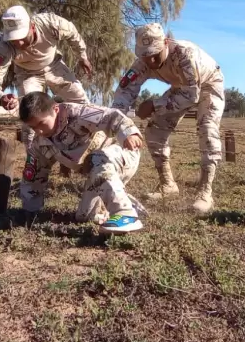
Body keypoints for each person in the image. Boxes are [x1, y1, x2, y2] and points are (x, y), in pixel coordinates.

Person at [111, 23, 225, 215]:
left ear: (166, 42)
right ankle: (167, 185)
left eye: (156, 53)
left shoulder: (184, 54)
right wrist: (114, 122)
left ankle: (205, 192)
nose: (152, 60)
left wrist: (155, 105)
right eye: (146, 55)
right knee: (154, 129)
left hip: (208, 84)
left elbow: (191, 95)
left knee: (207, 128)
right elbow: (123, 93)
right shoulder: (142, 63)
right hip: (180, 87)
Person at [18, 91, 148, 235]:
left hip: (122, 154)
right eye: (33, 127)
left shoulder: (77, 113)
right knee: (86, 217)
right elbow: (33, 178)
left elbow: (111, 116)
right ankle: (124, 200)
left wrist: (130, 133)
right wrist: (30, 210)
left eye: (41, 123)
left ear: (55, 109)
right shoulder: (40, 144)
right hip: (97, 173)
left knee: (95, 158)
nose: (39, 131)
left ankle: (126, 213)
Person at [0, 5, 94, 147]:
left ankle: (90, 144)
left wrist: (82, 57)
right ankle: (33, 160)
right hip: (27, 75)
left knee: (82, 103)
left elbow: (72, 34)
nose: (19, 43)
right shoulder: (3, 47)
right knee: (30, 118)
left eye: (21, 37)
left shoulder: (50, 23)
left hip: (55, 67)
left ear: (32, 27)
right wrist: (0, 97)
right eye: (13, 39)